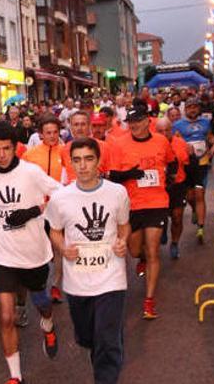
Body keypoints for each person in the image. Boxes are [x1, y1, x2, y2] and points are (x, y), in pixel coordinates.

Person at [0, 120, 62, 384]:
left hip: (33, 251)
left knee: (42, 303)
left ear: (16, 148)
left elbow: (60, 195)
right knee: (5, 315)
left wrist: (32, 211)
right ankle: (15, 376)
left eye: (6, 149)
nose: (1, 155)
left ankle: (48, 325)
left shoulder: (31, 172)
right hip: (4, 252)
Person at [48, 138, 130, 384]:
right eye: (77, 160)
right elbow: (54, 231)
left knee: (106, 339)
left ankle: (106, 373)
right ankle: (103, 344)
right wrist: (63, 248)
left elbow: (124, 227)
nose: (82, 166)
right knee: (87, 337)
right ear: (71, 163)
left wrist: (122, 241)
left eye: (88, 159)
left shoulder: (117, 192)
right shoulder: (60, 198)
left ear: (98, 161)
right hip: (78, 282)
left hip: (111, 278)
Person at [108, 106, 176, 320]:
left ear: (148, 121)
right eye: (131, 121)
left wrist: (170, 177)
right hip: (131, 205)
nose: (134, 125)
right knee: (135, 249)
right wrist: (131, 174)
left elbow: (172, 162)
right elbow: (113, 176)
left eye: (138, 120)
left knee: (154, 248)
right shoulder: (119, 144)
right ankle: (142, 259)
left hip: (157, 202)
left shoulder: (161, 141)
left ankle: (149, 300)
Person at [172, 98, 214, 244]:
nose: (192, 110)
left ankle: (201, 228)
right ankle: (194, 210)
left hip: (202, 163)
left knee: (200, 194)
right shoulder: (178, 125)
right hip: (186, 165)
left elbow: (211, 138)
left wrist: (213, 148)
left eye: (195, 107)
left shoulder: (205, 122)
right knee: (190, 196)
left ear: (198, 109)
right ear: (185, 110)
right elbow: (174, 142)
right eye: (190, 107)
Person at [156, 118, 190, 259]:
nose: (164, 133)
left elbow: (187, 165)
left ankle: (175, 243)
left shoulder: (181, 144)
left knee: (177, 217)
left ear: (172, 130)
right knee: (161, 217)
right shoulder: (153, 144)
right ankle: (163, 229)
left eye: (167, 130)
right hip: (159, 187)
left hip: (178, 185)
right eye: (160, 131)